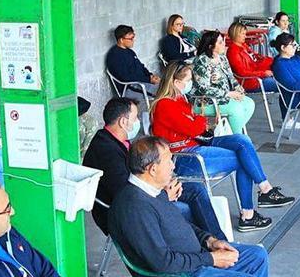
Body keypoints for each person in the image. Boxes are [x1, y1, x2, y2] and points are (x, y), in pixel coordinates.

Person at [151, 63, 295, 232]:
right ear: (175, 83)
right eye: (188, 80)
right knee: (243, 161)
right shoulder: (165, 105)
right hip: (184, 156)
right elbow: (195, 126)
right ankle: (249, 214)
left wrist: (200, 121)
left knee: (242, 140)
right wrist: (202, 121)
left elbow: (196, 122)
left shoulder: (180, 99)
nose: (191, 84)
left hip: (197, 142)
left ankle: (265, 188)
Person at [108, 137, 270, 277]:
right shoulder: (135, 207)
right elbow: (162, 263)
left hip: (197, 257)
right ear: (152, 169)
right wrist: (213, 259)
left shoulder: (153, 191)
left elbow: (181, 225)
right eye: (169, 161)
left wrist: (209, 240)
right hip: (183, 272)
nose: (173, 166)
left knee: (258, 255)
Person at [83, 98, 226, 239]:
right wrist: (163, 195)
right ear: (123, 122)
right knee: (182, 210)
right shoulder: (106, 151)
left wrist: (165, 184)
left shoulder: (117, 140)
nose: (137, 121)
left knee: (196, 189)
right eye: (135, 117)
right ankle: (196, 249)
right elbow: (126, 194)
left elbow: (137, 176)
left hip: (142, 193)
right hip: (123, 210)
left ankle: (218, 242)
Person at [193, 31, 256, 134]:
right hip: (206, 101)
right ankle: (237, 138)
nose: (224, 44)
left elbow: (231, 77)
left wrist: (239, 90)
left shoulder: (222, 58)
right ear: (210, 46)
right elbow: (203, 89)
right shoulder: (202, 61)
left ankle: (230, 135)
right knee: (236, 109)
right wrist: (228, 94)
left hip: (225, 97)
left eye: (224, 41)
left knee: (249, 103)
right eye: (220, 42)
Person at [106, 24, 161, 131]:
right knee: (162, 91)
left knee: (166, 86)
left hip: (142, 83)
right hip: (129, 87)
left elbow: (141, 67)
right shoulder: (114, 55)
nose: (133, 41)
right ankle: (153, 125)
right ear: (121, 39)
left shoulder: (130, 52)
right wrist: (148, 80)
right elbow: (125, 77)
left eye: (133, 37)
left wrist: (150, 75)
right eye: (130, 38)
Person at [226, 22, 275, 92]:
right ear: (235, 34)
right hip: (251, 82)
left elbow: (256, 58)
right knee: (281, 83)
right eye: (243, 34)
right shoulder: (233, 52)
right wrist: (263, 73)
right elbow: (242, 73)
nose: (245, 36)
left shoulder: (243, 46)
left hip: (258, 75)